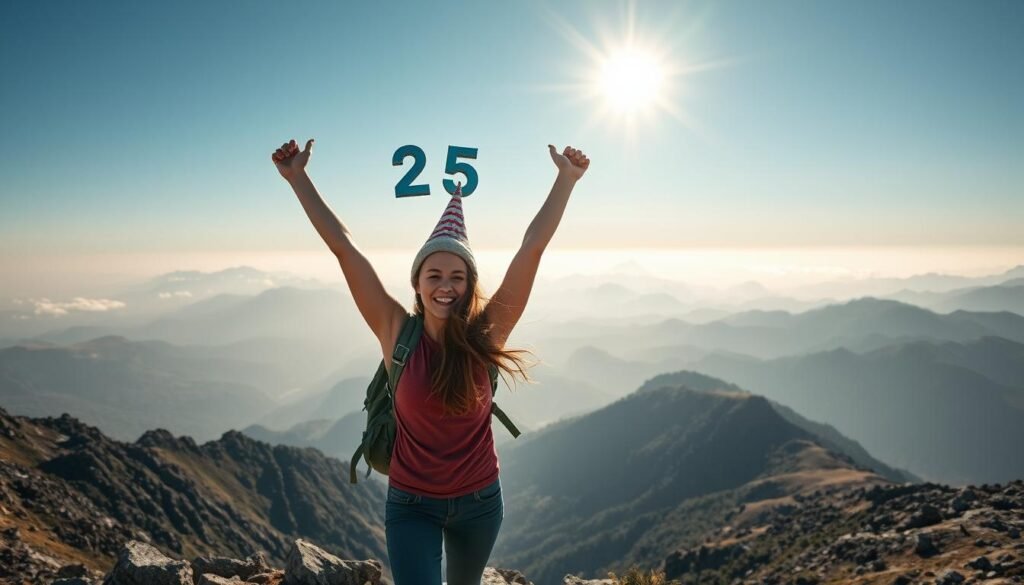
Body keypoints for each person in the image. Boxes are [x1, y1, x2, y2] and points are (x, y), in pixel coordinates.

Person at [271, 138, 590, 585]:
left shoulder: (488, 334)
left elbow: (531, 249)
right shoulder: (395, 332)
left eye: (457, 276)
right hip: (411, 504)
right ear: (417, 283)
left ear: (469, 284)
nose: (445, 286)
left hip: (480, 503)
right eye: (434, 275)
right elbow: (345, 249)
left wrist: (566, 180)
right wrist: (298, 179)